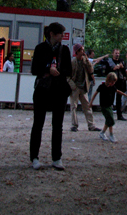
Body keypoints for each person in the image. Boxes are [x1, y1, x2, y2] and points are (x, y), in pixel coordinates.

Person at [29, 22, 72, 171]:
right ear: (52, 34)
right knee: (38, 124)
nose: (62, 36)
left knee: (58, 125)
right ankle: (34, 157)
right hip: (42, 90)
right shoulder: (40, 48)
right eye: (60, 33)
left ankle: (57, 157)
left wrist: (58, 70)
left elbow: (69, 70)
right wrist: (48, 69)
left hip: (59, 90)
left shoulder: (65, 50)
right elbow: (34, 69)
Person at [69, 44, 101, 132]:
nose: (83, 52)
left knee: (87, 106)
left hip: (83, 87)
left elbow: (91, 70)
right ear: (77, 52)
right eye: (82, 50)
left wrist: (87, 60)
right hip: (75, 87)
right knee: (73, 107)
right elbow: (68, 76)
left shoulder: (85, 61)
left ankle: (91, 125)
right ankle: (74, 125)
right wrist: (73, 86)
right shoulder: (72, 62)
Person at [92, 72, 127, 143]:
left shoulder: (113, 87)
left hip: (109, 106)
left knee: (108, 120)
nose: (113, 84)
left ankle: (102, 133)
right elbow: (95, 94)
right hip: (104, 106)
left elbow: (118, 91)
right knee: (110, 119)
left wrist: (125, 95)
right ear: (108, 80)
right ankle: (111, 134)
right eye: (112, 82)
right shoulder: (102, 87)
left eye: (114, 82)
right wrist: (91, 103)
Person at [104, 48, 127, 120]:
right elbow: (106, 72)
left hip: (120, 81)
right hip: (112, 82)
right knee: (110, 98)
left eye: (118, 53)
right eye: (116, 53)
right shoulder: (109, 61)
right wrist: (113, 69)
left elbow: (124, 73)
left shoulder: (121, 61)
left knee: (119, 99)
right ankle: (109, 114)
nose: (117, 55)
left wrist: (122, 68)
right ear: (113, 53)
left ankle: (119, 115)